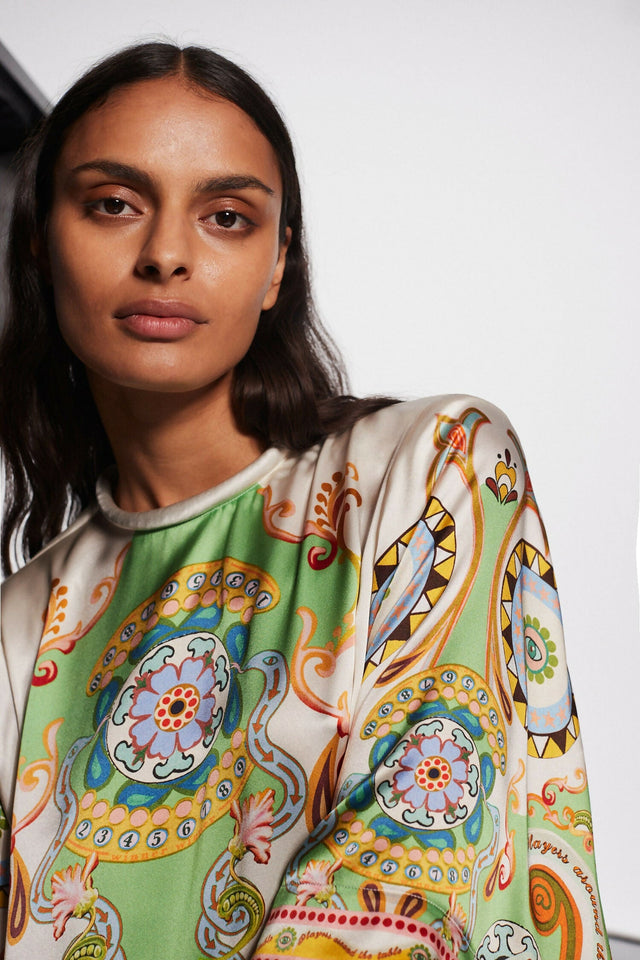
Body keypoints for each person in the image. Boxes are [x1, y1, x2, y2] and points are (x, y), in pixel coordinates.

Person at [0, 41, 609, 960]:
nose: (165, 255)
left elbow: (410, 868)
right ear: (40, 242)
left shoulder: (431, 466)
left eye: (226, 217)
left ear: (277, 264)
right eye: (114, 204)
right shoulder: (20, 627)